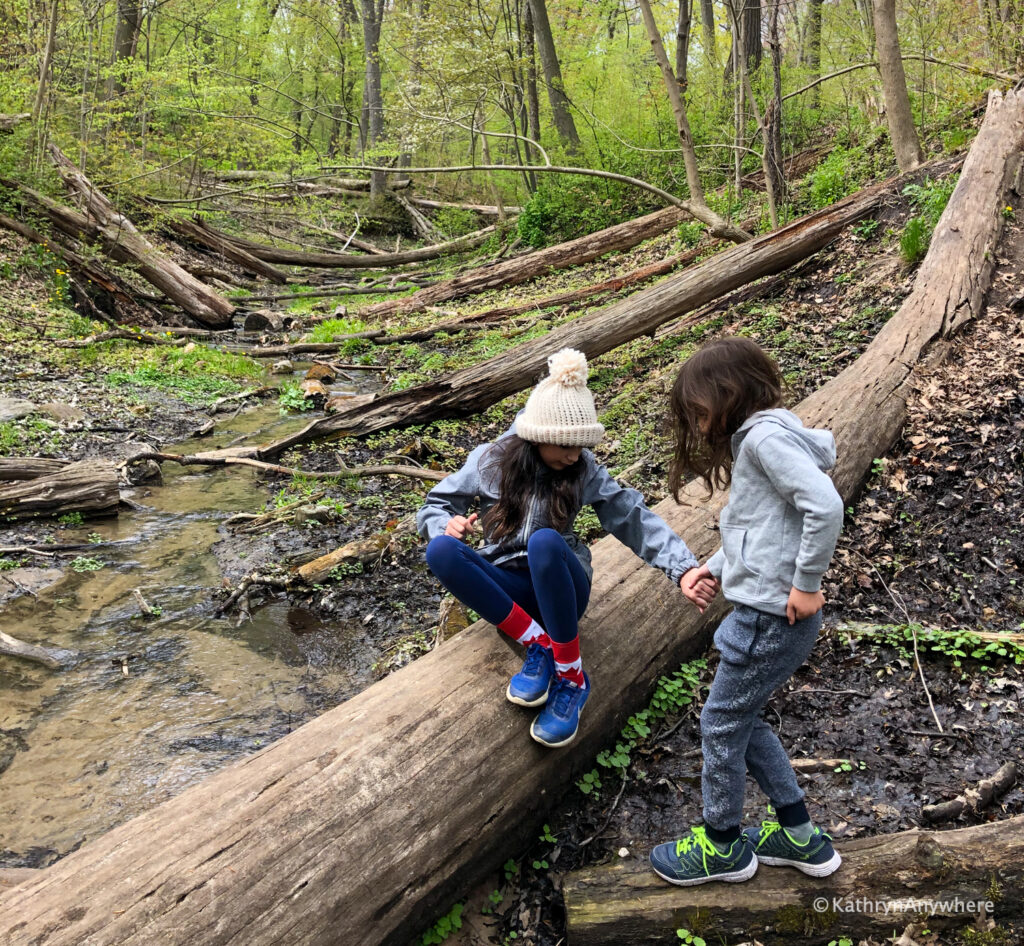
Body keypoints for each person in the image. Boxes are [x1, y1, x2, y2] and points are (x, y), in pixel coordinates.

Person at [417, 348, 715, 748]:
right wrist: (445, 525)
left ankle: (571, 675)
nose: (575, 454)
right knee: (439, 552)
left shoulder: (583, 468)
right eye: (566, 445)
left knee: (544, 541)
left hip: (561, 588)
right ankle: (537, 643)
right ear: (539, 437)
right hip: (510, 593)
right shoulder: (490, 461)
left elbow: (632, 517)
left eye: (582, 443)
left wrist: (683, 568)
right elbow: (436, 504)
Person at [649, 335, 844, 886]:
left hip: (768, 619)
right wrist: (714, 567)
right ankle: (800, 836)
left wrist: (807, 583)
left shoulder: (761, 441)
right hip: (766, 611)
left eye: (697, 409)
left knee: (720, 723)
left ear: (726, 394)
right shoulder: (769, 435)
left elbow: (824, 505)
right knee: (741, 717)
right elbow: (761, 529)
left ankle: (722, 846)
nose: (696, 421)